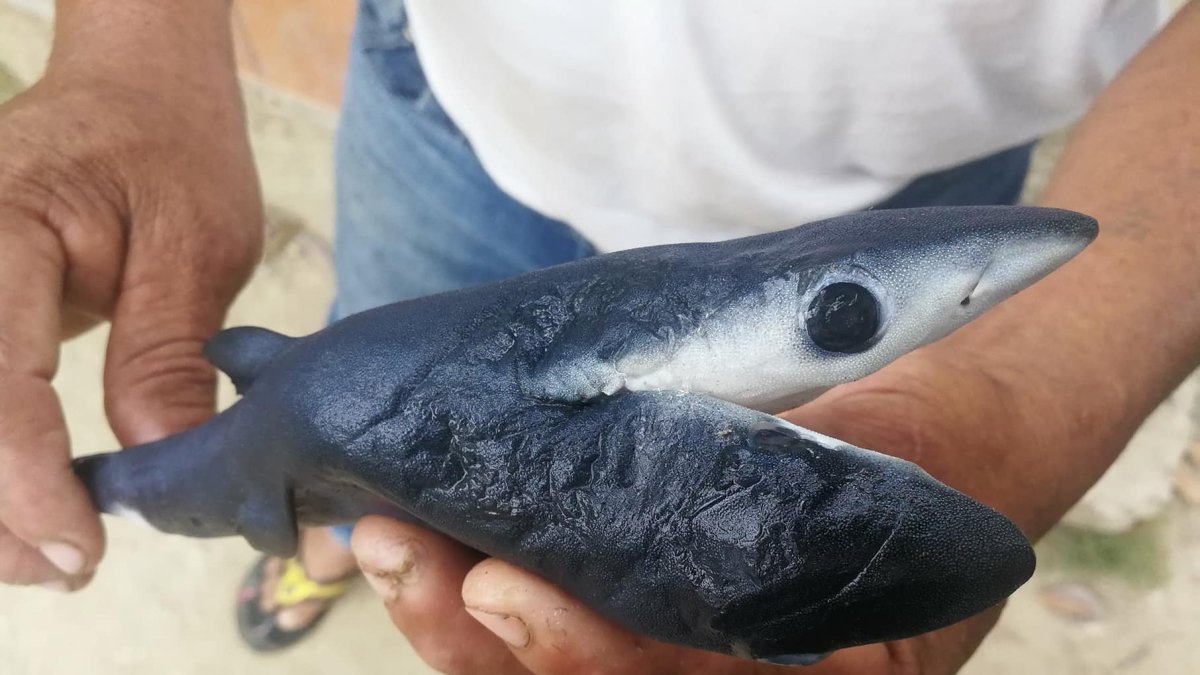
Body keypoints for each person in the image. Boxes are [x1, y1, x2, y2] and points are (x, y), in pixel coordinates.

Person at [0, 0, 1196, 673]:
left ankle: (338, 525)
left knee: (394, 458)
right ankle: (321, 540)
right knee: (344, 424)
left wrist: (1037, 389)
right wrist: (131, 45)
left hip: (909, 172)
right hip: (453, 112)